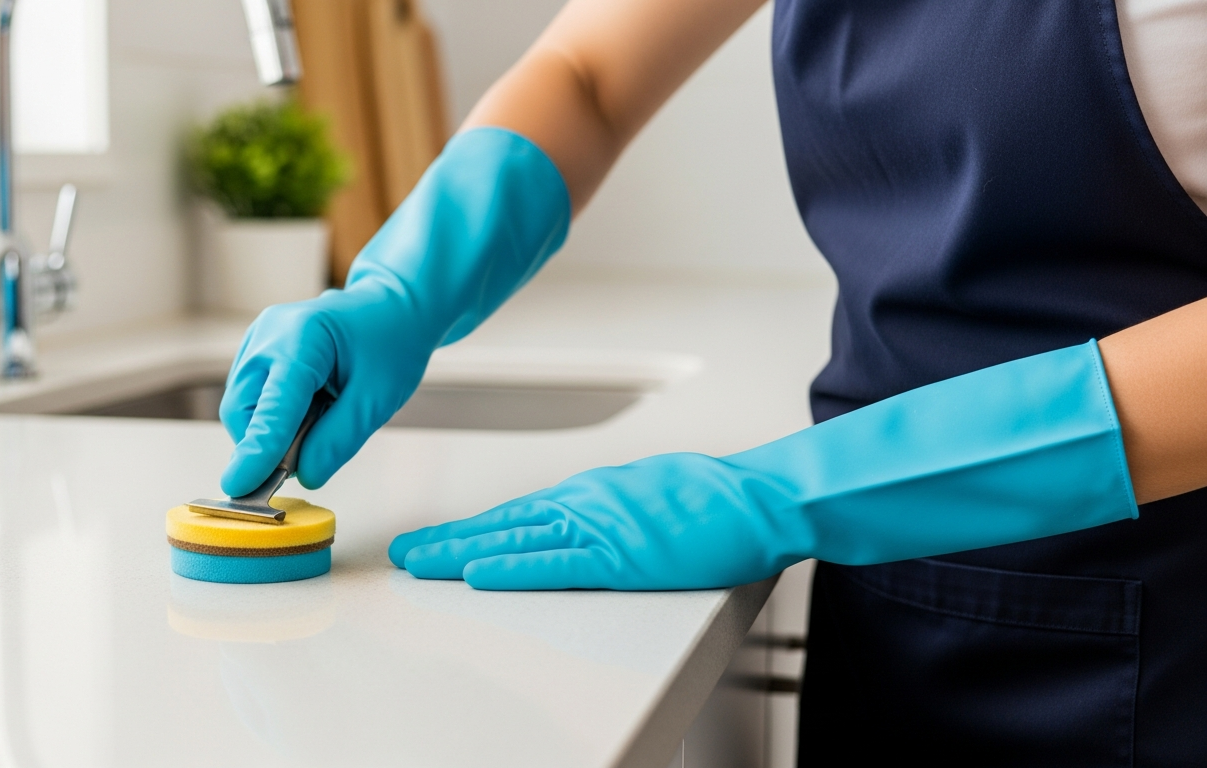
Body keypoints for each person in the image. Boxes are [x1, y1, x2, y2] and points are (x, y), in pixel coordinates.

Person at [216, 0, 1207, 762]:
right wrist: (400, 287)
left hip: (1165, 628)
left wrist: (785, 490)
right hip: (890, 594)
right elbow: (591, 70)